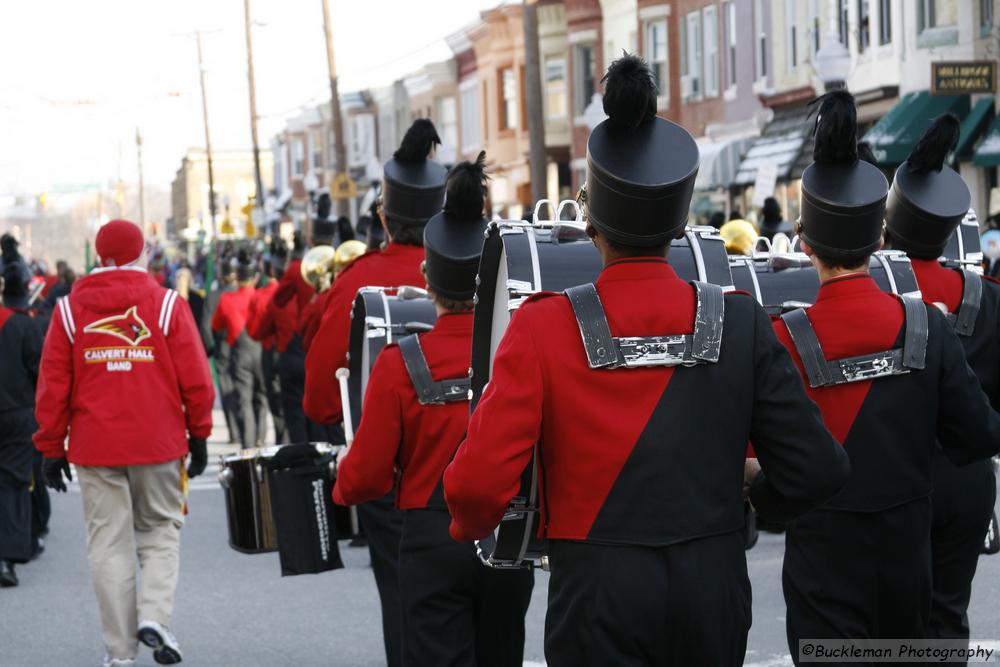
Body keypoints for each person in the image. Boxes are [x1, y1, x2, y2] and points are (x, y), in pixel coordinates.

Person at [443, 54, 850, 666]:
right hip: (712, 588)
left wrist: (470, 517)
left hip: (596, 596)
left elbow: (474, 490)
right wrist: (751, 501)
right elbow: (819, 469)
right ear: (681, 222)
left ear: (589, 220)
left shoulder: (540, 328)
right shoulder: (741, 319)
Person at [768, 92, 1000, 661]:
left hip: (830, 542)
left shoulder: (780, 336)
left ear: (805, 242)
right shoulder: (948, 317)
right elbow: (981, 432)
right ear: (878, 237)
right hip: (919, 522)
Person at [334, 152, 534, 666]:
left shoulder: (401, 364)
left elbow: (364, 480)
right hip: (507, 533)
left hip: (428, 540)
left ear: (428, 276)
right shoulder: (524, 350)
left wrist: (342, 475)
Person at [33, 219, 214, 666]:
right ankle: (154, 616)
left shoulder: (70, 312)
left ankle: (119, 654)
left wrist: (51, 448)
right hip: (158, 441)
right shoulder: (167, 304)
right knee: (159, 532)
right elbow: (196, 377)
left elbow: (53, 386)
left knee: (108, 545)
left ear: (98, 256)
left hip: (96, 447)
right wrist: (201, 433)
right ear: (141, 254)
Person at [306, 118, 448, 667]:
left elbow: (320, 396)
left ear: (384, 218)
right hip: (477, 460)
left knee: (406, 605)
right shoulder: (483, 271)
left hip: (393, 481)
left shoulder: (354, 281)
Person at [883, 113, 1000, 645]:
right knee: (948, 618)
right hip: (970, 480)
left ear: (888, 226)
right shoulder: (991, 295)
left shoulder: (876, 297)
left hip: (897, 480)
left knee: (894, 626)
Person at [0, 262, 44, 587]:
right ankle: (8, 558)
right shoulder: (25, 326)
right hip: (17, 412)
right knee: (14, 484)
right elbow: (39, 372)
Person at [213, 251, 267, 450]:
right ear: (255, 277)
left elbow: (216, 325)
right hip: (261, 348)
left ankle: (248, 443)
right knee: (261, 396)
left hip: (240, 350)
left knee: (244, 399)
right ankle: (261, 436)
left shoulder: (227, 299)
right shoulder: (261, 296)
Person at [246, 250, 287, 444]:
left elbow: (254, 331)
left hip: (271, 352)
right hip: (293, 351)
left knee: (275, 404)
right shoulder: (295, 292)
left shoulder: (261, 295)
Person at [200, 259, 239, 444]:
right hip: (242, 344)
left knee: (226, 389)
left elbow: (206, 326)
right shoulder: (240, 291)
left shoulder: (213, 296)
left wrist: (210, 349)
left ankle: (234, 431)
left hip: (222, 346)